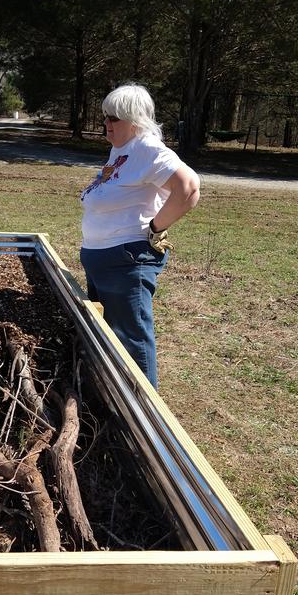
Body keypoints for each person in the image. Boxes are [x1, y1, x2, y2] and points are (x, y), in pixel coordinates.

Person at [80, 83, 200, 389]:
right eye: (104, 116)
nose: (105, 123)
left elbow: (188, 189)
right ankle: (113, 399)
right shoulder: (122, 151)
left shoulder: (148, 148)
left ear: (135, 120)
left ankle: (143, 418)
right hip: (103, 261)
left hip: (126, 263)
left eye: (114, 118)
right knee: (110, 339)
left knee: (132, 344)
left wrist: (156, 228)